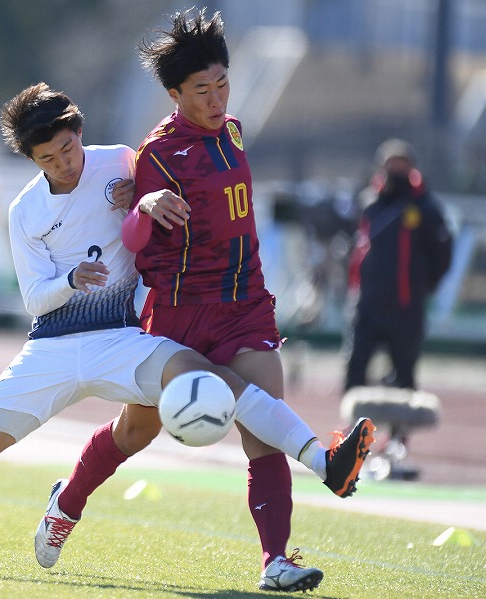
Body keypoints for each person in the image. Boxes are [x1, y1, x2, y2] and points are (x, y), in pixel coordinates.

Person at [0, 82, 372, 573]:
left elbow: (154, 193)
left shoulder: (118, 160)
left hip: (120, 341)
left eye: (68, 149)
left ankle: (326, 463)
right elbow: (33, 298)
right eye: (49, 158)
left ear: (80, 135)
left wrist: (142, 199)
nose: (65, 163)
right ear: (33, 160)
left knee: (213, 380)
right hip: (51, 349)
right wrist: (71, 278)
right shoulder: (24, 211)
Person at [32, 10, 375, 594]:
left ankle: (275, 561)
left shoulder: (235, 131)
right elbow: (135, 241)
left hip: (244, 305)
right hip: (179, 314)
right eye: (201, 90)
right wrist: (143, 207)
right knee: (134, 432)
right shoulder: (159, 155)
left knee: (262, 429)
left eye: (222, 84)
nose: (216, 98)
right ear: (174, 94)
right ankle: (67, 502)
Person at [344, 139, 453, 391]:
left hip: (406, 305)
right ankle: (353, 426)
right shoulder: (368, 203)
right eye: (390, 165)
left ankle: (399, 428)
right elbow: (353, 245)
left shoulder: (426, 207)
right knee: (355, 366)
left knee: (404, 374)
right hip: (368, 302)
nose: (396, 171)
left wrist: (426, 284)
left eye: (401, 165)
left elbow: (443, 250)